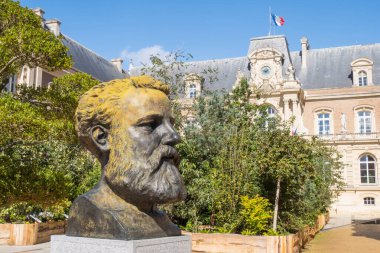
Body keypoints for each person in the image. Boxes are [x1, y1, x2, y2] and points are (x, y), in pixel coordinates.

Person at [67, 76, 186, 240]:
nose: (174, 136)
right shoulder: (92, 213)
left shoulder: (162, 221)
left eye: (171, 123)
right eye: (150, 124)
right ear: (102, 137)